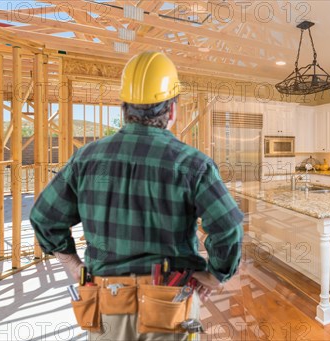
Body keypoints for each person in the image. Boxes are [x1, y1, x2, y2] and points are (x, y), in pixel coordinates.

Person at [30, 51, 244, 340]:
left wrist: (73, 265)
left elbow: (44, 217)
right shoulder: (193, 165)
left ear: (124, 109)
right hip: (170, 303)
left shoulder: (86, 159)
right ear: (171, 111)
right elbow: (228, 226)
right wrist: (216, 275)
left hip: (108, 303)